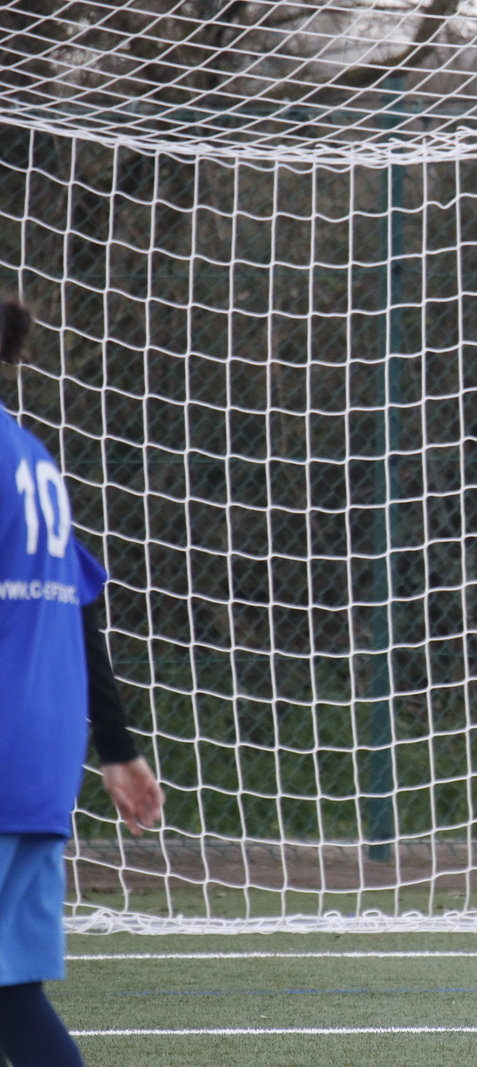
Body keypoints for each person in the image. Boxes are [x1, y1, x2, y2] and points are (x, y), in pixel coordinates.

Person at [0, 300, 165, 1067]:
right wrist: (119, 747)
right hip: (38, 758)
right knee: (9, 993)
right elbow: (80, 605)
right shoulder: (29, 455)